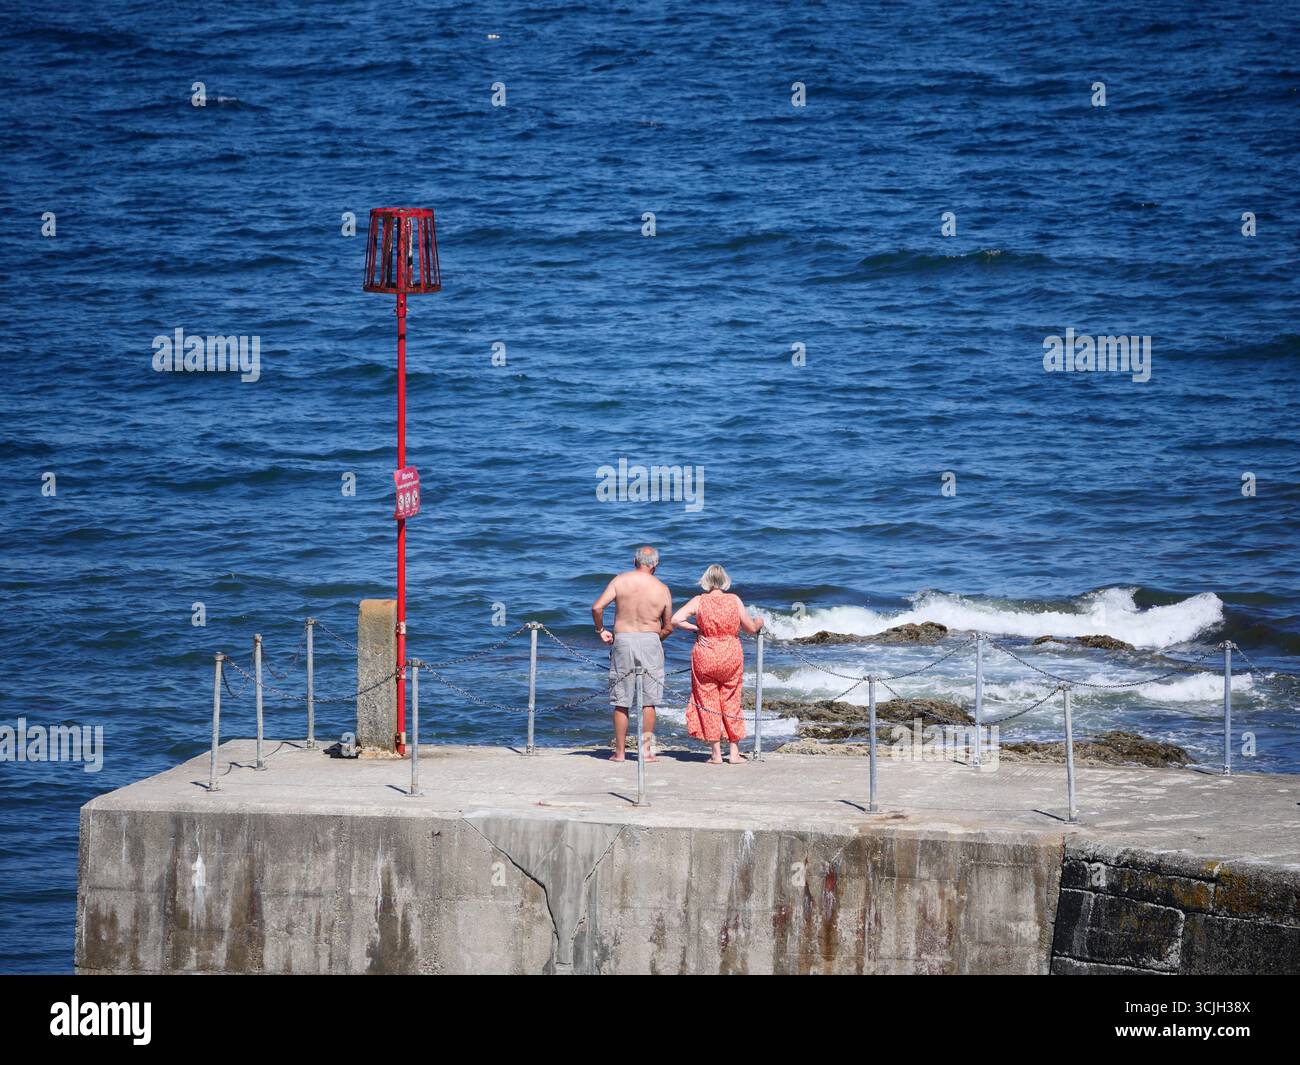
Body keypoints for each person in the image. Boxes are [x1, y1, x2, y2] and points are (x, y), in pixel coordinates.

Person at [671, 564, 763, 764]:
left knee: (707, 701)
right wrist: (759, 623)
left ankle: (715, 754)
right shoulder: (734, 600)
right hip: (730, 653)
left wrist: (697, 629)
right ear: (725, 581)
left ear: (706, 581)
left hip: (705, 653)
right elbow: (749, 629)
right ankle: (735, 753)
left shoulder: (699, 601)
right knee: (731, 700)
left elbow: (675, 619)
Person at [591, 546, 672, 762]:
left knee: (621, 699)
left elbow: (597, 608)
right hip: (650, 640)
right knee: (649, 701)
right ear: (655, 564)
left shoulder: (620, 581)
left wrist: (601, 630)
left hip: (623, 640)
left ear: (634, 561)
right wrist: (655, 638)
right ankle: (645, 752)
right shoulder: (662, 588)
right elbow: (669, 626)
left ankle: (619, 752)